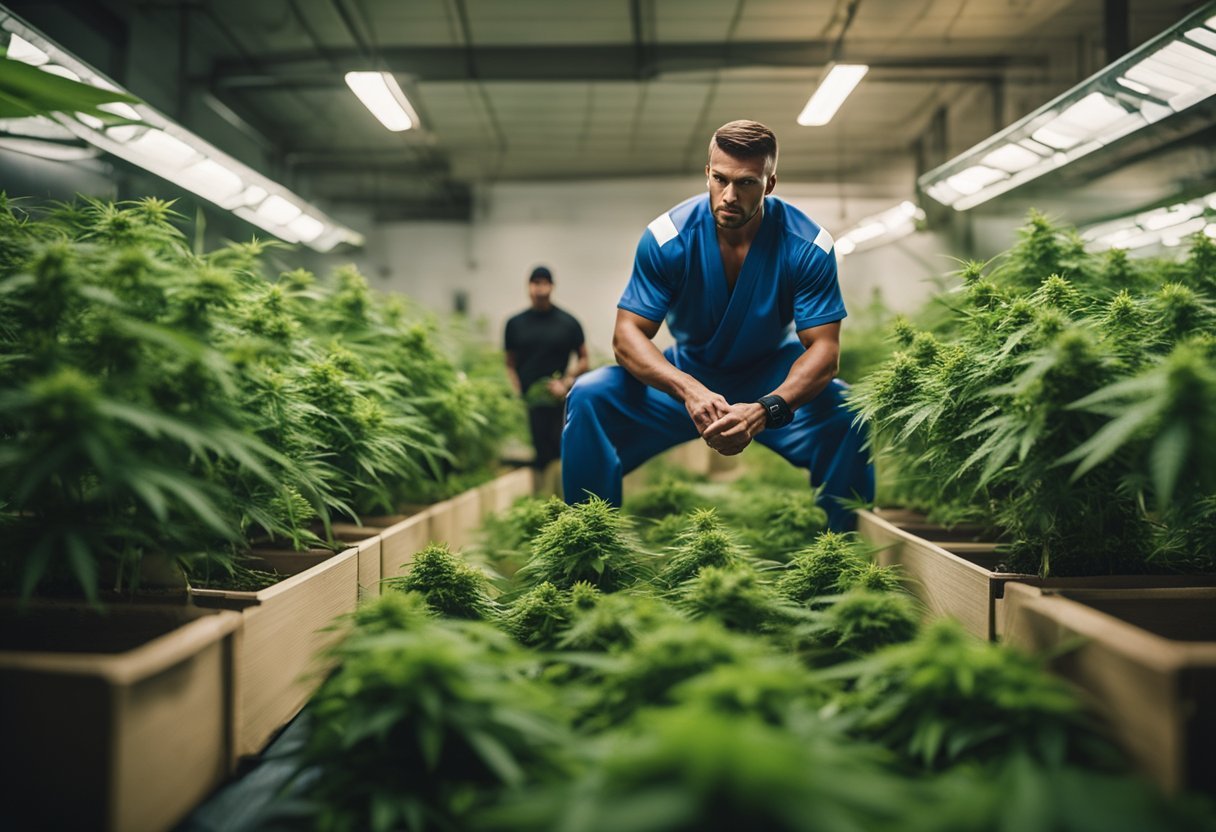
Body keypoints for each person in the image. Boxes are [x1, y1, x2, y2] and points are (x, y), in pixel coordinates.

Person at [561, 120, 873, 531]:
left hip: (770, 378)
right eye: (720, 179)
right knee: (589, 396)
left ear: (770, 184)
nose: (729, 196)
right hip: (687, 377)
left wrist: (765, 410)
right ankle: (587, 542)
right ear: (707, 173)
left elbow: (824, 352)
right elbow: (627, 335)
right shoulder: (668, 238)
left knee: (848, 411)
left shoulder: (808, 246)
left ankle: (845, 557)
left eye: (746, 183)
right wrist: (690, 391)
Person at [504, 266, 589, 471]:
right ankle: (543, 497)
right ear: (529, 287)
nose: (539, 288)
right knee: (539, 454)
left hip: (559, 399)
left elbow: (584, 359)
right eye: (535, 283)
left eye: (544, 283)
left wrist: (566, 382)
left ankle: (559, 495)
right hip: (530, 401)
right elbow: (509, 363)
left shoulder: (568, 323)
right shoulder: (515, 324)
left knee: (561, 448)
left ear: (551, 287)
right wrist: (516, 391)